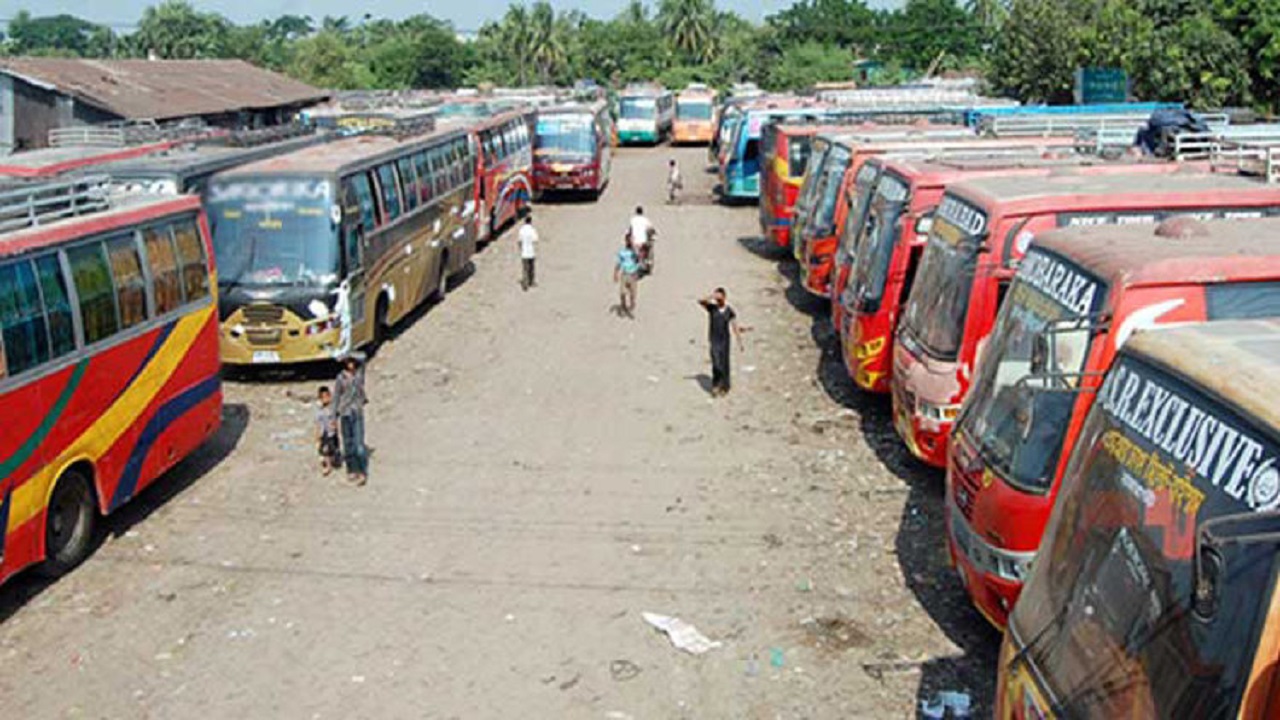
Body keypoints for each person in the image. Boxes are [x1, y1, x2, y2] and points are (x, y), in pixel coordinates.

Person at [698, 288, 749, 397]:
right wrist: (711, 296)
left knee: (724, 363)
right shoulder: (712, 308)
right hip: (714, 339)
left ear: (725, 297)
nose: (719, 299)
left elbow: (735, 326)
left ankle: (725, 386)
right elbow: (700, 301)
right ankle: (716, 384)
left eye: (721, 296)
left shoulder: (729, 311)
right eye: (718, 297)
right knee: (716, 362)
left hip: (725, 341)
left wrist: (740, 342)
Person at [334, 353, 369, 485]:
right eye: (348, 363)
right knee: (348, 444)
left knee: (359, 445)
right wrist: (333, 417)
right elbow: (336, 398)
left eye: (352, 362)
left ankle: (362, 471)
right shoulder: (340, 378)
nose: (351, 365)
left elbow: (364, 358)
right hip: (344, 413)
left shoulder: (359, 376)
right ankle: (351, 470)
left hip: (357, 412)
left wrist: (349, 353)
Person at [614, 235, 642, 318]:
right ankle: (623, 306)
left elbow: (639, 260)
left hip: (633, 275)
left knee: (633, 294)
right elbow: (618, 263)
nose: (630, 242)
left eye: (631, 241)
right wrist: (615, 273)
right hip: (625, 274)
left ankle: (631, 306)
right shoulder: (622, 253)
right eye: (628, 241)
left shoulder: (635, 252)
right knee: (622, 292)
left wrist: (636, 252)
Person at [316, 386, 340, 476]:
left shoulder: (332, 409)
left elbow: (336, 419)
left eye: (327, 397)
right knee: (325, 450)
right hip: (324, 433)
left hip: (332, 433)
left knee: (334, 448)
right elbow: (318, 423)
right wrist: (317, 435)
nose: (326, 399)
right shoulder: (320, 411)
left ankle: (335, 459)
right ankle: (328, 466)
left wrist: (336, 427)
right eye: (323, 398)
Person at [627, 206, 655, 273]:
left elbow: (630, 230)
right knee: (649, 247)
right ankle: (648, 262)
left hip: (634, 241)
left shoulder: (633, 220)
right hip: (643, 241)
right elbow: (651, 229)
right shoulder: (645, 220)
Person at [518, 215, 539, 291]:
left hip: (524, 253)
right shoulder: (532, 230)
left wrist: (520, 248)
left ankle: (525, 284)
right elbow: (535, 240)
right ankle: (531, 282)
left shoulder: (522, 230)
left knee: (525, 269)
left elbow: (519, 241)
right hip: (531, 252)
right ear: (530, 221)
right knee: (531, 268)